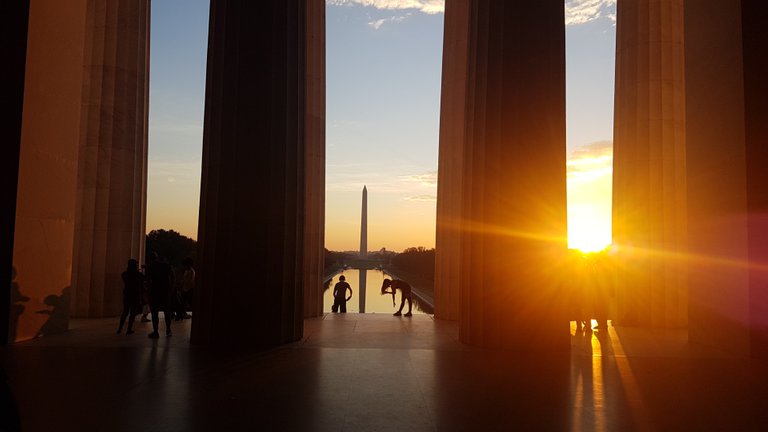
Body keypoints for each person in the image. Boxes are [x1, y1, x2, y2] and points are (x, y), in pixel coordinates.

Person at [146, 252, 174, 338]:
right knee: (167, 311)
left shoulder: (150, 267)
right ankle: (168, 330)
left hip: (155, 291)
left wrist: (149, 289)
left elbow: (148, 280)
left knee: (154, 313)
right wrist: (171, 287)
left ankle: (155, 331)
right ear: (157, 257)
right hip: (165, 290)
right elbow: (172, 276)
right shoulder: (165, 265)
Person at [117, 259, 144, 335]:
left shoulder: (125, 274)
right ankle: (129, 329)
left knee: (125, 312)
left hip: (127, 295)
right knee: (132, 313)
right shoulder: (138, 275)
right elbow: (144, 279)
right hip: (135, 295)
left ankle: (120, 328)